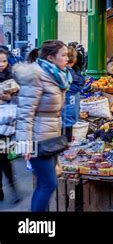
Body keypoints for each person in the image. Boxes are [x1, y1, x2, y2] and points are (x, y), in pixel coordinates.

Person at [14, 40, 71, 212]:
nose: (67, 59)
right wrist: (25, 144)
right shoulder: (37, 76)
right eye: (64, 55)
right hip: (38, 139)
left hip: (50, 137)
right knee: (48, 184)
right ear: (51, 57)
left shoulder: (56, 75)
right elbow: (25, 113)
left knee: (44, 184)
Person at [0, 49, 20, 203]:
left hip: (5, 124)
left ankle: (12, 189)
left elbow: (19, 100)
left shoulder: (12, 76)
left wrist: (8, 98)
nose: (2, 64)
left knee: (4, 157)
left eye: (4, 61)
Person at [61, 47, 85, 142]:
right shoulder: (71, 73)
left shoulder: (68, 72)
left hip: (65, 112)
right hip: (68, 111)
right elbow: (80, 82)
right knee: (66, 134)